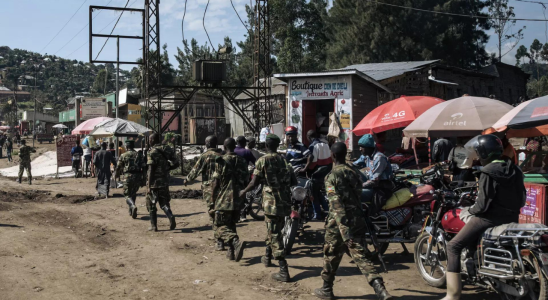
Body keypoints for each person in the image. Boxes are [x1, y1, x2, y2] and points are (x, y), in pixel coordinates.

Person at [443, 135, 526, 300]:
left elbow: (482, 205)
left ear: (483, 154)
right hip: (512, 217)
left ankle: (452, 295)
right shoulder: (515, 169)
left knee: (453, 246)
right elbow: (522, 198)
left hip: (489, 219)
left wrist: (470, 209)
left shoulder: (487, 172)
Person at [314, 142, 392, 300]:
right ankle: (380, 289)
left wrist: (345, 232)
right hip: (357, 219)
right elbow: (358, 194)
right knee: (361, 256)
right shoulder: (354, 172)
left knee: (331, 255)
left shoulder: (331, 176)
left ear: (333, 155)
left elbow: (337, 205)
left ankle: (326, 289)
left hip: (339, 223)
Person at [239, 134, 297, 282]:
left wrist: (243, 191)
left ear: (266, 145)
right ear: (277, 146)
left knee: (275, 234)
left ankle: (283, 270)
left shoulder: (262, 161)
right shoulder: (285, 161)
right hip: (284, 203)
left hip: (271, 203)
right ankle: (267, 257)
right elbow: (293, 181)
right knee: (274, 230)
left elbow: (254, 182)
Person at [185, 135, 226, 249]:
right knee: (222, 212)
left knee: (213, 212)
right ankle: (224, 237)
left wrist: (187, 179)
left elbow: (195, 170)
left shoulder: (205, 156)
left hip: (209, 188)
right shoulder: (222, 155)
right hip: (223, 188)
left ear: (207, 144)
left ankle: (219, 240)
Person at [212, 138, 248, 261]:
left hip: (224, 198)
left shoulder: (221, 161)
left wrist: (213, 199)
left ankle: (235, 241)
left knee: (219, 226)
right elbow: (246, 179)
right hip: (238, 198)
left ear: (224, 147)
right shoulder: (242, 161)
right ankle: (231, 251)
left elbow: (216, 183)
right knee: (231, 225)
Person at [146, 133, 179, 232]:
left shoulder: (152, 152)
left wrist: (148, 185)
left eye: (149, 140)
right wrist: (168, 168)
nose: (149, 141)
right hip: (165, 181)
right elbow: (176, 163)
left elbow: (151, 169)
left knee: (151, 203)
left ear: (152, 140)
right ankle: (170, 215)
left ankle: (153, 226)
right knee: (164, 202)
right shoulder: (167, 148)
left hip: (154, 182)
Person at [355, 134, 393, 214]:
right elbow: (354, 165)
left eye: (362, 147)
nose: (360, 149)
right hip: (371, 185)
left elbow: (374, 180)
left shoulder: (379, 158)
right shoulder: (366, 156)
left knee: (354, 193)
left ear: (369, 148)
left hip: (380, 188)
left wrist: (358, 186)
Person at [302, 130, 332, 220]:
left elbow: (313, 161)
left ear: (308, 137)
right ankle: (327, 211)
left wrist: (306, 170)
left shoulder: (312, 146)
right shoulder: (326, 144)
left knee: (313, 194)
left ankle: (317, 214)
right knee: (318, 192)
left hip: (316, 173)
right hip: (326, 172)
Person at [115, 140, 144, 219]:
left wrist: (116, 175)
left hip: (128, 176)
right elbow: (144, 166)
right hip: (137, 176)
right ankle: (131, 210)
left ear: (127, 147)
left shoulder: (124, 155)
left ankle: (132, 206)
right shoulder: (139, 155)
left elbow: (118, 167)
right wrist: (143, 178)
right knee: (133, 193)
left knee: (127, 195)